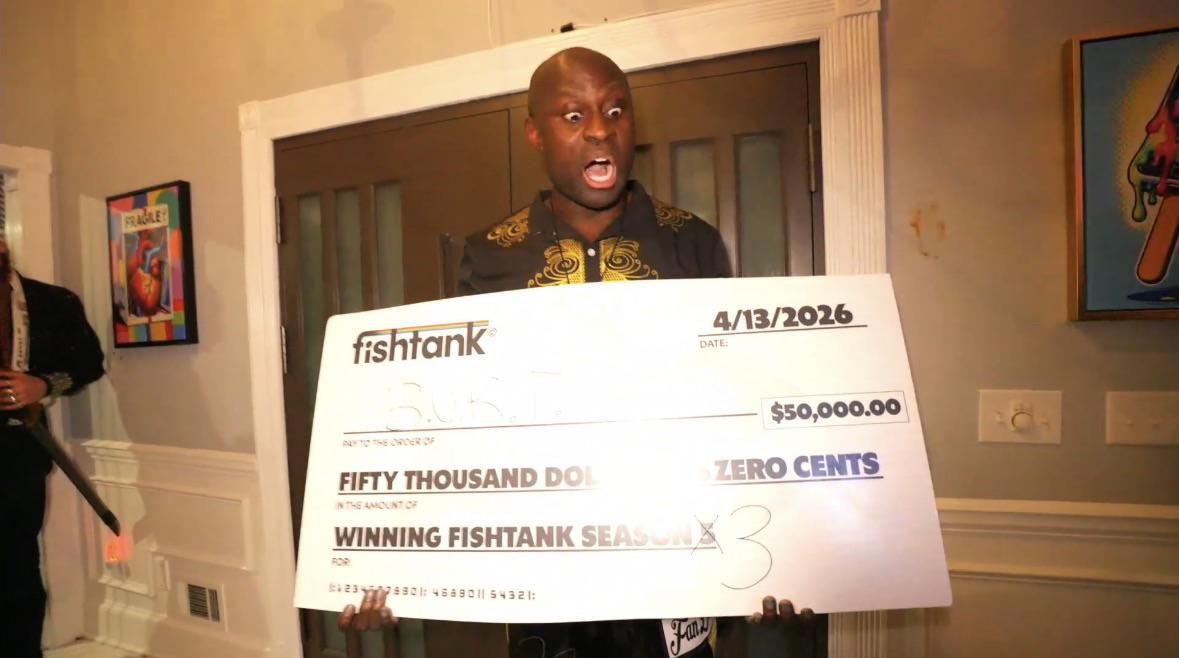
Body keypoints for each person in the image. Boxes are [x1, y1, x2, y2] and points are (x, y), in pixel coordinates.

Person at [342, 48, 812, 657]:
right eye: (573, 115)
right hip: (546, 587)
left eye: (615, 110)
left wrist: (780, 556)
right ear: (535, 133)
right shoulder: (491, 255)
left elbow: (737, 405)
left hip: (676, 569)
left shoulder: (692, 243)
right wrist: (385, 570)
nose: (599, 130)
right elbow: (454, 430)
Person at [0, 239, 105, 658]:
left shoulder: (51, 302)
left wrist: (42, 385)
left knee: (15, 572)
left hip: (16, 456)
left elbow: (89, 363)